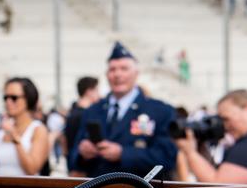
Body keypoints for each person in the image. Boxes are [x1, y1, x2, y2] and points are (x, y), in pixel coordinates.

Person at [69, 42, 177, 178]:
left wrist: (123, 154)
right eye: (112, 69)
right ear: (107, 75)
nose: (117, 74)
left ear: (136, 73)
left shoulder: (160, 111)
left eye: (124, 69)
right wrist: (81, 154)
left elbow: (167, 158)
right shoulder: (92, 111)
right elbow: (72, 159)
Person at [0, 77, 49, 176]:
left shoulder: (38, 129)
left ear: (28, 99)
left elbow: (32, 169)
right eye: (5, 98)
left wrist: (15, 137)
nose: (8, 102)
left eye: (14, 98)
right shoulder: (1, 131)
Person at [64, 76, 100, 174]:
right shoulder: (84, 114)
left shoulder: (72, 112)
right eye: (97, 90)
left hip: (73, 164)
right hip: (80, 168)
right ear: (89, 91)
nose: (99, 94)